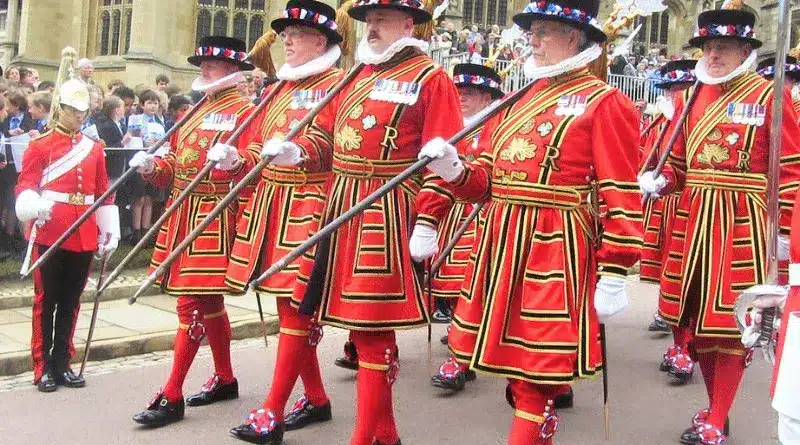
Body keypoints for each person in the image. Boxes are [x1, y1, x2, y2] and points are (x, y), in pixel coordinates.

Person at [419, 1, 642, 443]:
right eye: (531, 31)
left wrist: (616, 267)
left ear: (574, 36)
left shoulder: (605, 101)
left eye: (543, 31)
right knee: (516, 370)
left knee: (537, 371)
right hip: (500, 243)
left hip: (554, 246)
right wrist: (452, 169)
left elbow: (619, 190)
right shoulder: (516, 99)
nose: (532, 41)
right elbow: (483, 184)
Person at [274, 0, 464, 442]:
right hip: (341, 207)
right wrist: (300, 152)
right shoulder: (357, 75)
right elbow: (328, 136)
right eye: (369, 19)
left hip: (387, 210)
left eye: (381, 19)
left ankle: (364, 437)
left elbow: (450, 154)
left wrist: (429, 219)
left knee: (372, 331)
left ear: (408, 23)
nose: (371, 27)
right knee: (355, 329)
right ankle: (385, 434)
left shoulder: (430, 78)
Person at [639, 2, 800, 443]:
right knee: (694, 323)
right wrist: (661, 179)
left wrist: (785, 230)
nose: (713, 56)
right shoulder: (693, 94)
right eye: (709, 47)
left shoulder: (770, 94)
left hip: (743, 223)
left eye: (725, 47)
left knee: (731, 326)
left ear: (746, 49)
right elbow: (678, 163)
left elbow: (790, 169)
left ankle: (716, 417)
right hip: (694, 221)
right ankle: (716, 407)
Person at [226, 2, 344, 443]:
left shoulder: (339, 84)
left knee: (296, 308)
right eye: (285, 33)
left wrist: (305, 151)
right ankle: (315, 398)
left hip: (313, 202)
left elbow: (343, 143)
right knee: (286, 306)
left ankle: (272, 410)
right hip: (272, 204)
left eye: (295, 33)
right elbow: (258, 146)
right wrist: (238, 160)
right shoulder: (278, 89)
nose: (286, 40)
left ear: (321, 40)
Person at [129, 35, 257, 428]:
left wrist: (236, 162)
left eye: (212, 64)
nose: (203, 68)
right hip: (184, 212)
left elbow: (254, 170)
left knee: (190, 305)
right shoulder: (196, 110)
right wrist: (153, 168)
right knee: (209, 303)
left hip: (217, 216)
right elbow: (177, 170)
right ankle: (225, 377)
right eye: (202, 62)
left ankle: (172, 393)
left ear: (233, 71)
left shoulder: (246, 111)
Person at [15, 47, 120, 392]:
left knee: (72, 301)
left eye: (82, 111)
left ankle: (63, 362)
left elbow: (103, 192)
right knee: (46, 302)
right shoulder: (40, 146)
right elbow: (25, 186)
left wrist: (109, 230)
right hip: (51, 229)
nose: (79, 116)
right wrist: (32, 204)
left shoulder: (94, 148)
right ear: (60, 109)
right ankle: (42, 366)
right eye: (73, 111)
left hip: (84, 232)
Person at [425, 63, 503, 394]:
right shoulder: (453, 128)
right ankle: (464, 340)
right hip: (453, 214)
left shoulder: (499, 125)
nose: (463, 99)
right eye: (459, 93)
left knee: (472, 286)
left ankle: (463, 354)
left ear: (487, 96)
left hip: (486, 217)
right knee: (452, 285)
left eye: (470, 94)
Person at [639, 59, 697, 382]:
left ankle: (688, 345)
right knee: (669, 274)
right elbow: (651, 153)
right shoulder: (665, 118)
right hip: (665, 201)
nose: (676, 93)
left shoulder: (692, 114)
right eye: (672, 88)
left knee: (689, 281)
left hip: (691, 205)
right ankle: (678, 338)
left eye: (681, 87)